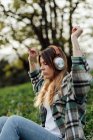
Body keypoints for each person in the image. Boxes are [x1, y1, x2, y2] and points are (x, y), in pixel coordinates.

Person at [0, 26, 92, 140]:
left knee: (14, 122)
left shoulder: (70, 85)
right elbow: (36, 80)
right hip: (47, 134)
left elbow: (80, 73)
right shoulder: (48, 86)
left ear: (58, 63)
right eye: (41, 64)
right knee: (2, 121)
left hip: (64, 138)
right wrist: (32, 61)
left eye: (45, 64)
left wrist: (74, 38)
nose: (42, 68)